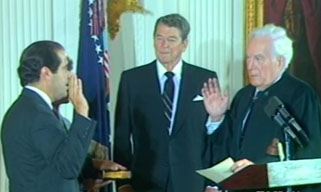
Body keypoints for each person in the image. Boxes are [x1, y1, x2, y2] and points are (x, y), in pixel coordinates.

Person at [203, 24, 321, 192]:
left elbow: (310, 159)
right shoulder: (243, 96)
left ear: (280, 61)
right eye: (248, 58)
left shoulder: (300, 95)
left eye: (258, 59)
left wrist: (259, 171)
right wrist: (216, 118)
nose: (250, 66)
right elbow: (229, 148)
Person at [0, 41, 124, 192]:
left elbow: (54, 162)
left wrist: (96, 166)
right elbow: (68, 168)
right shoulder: (38, 115)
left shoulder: (30, 108)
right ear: (46, 73)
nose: (71, 76)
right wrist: (82, 111)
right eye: (66, 68)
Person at [114, 14, 218, 192]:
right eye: (159, 38)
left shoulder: (204, 79)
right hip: (145, 182)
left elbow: (212, 136)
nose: (164, 45)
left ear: (184, 44)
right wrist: (123, 183)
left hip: (191, 183)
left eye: (171, 39)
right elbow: (122, 135)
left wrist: (213, 183)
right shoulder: (132, 80)